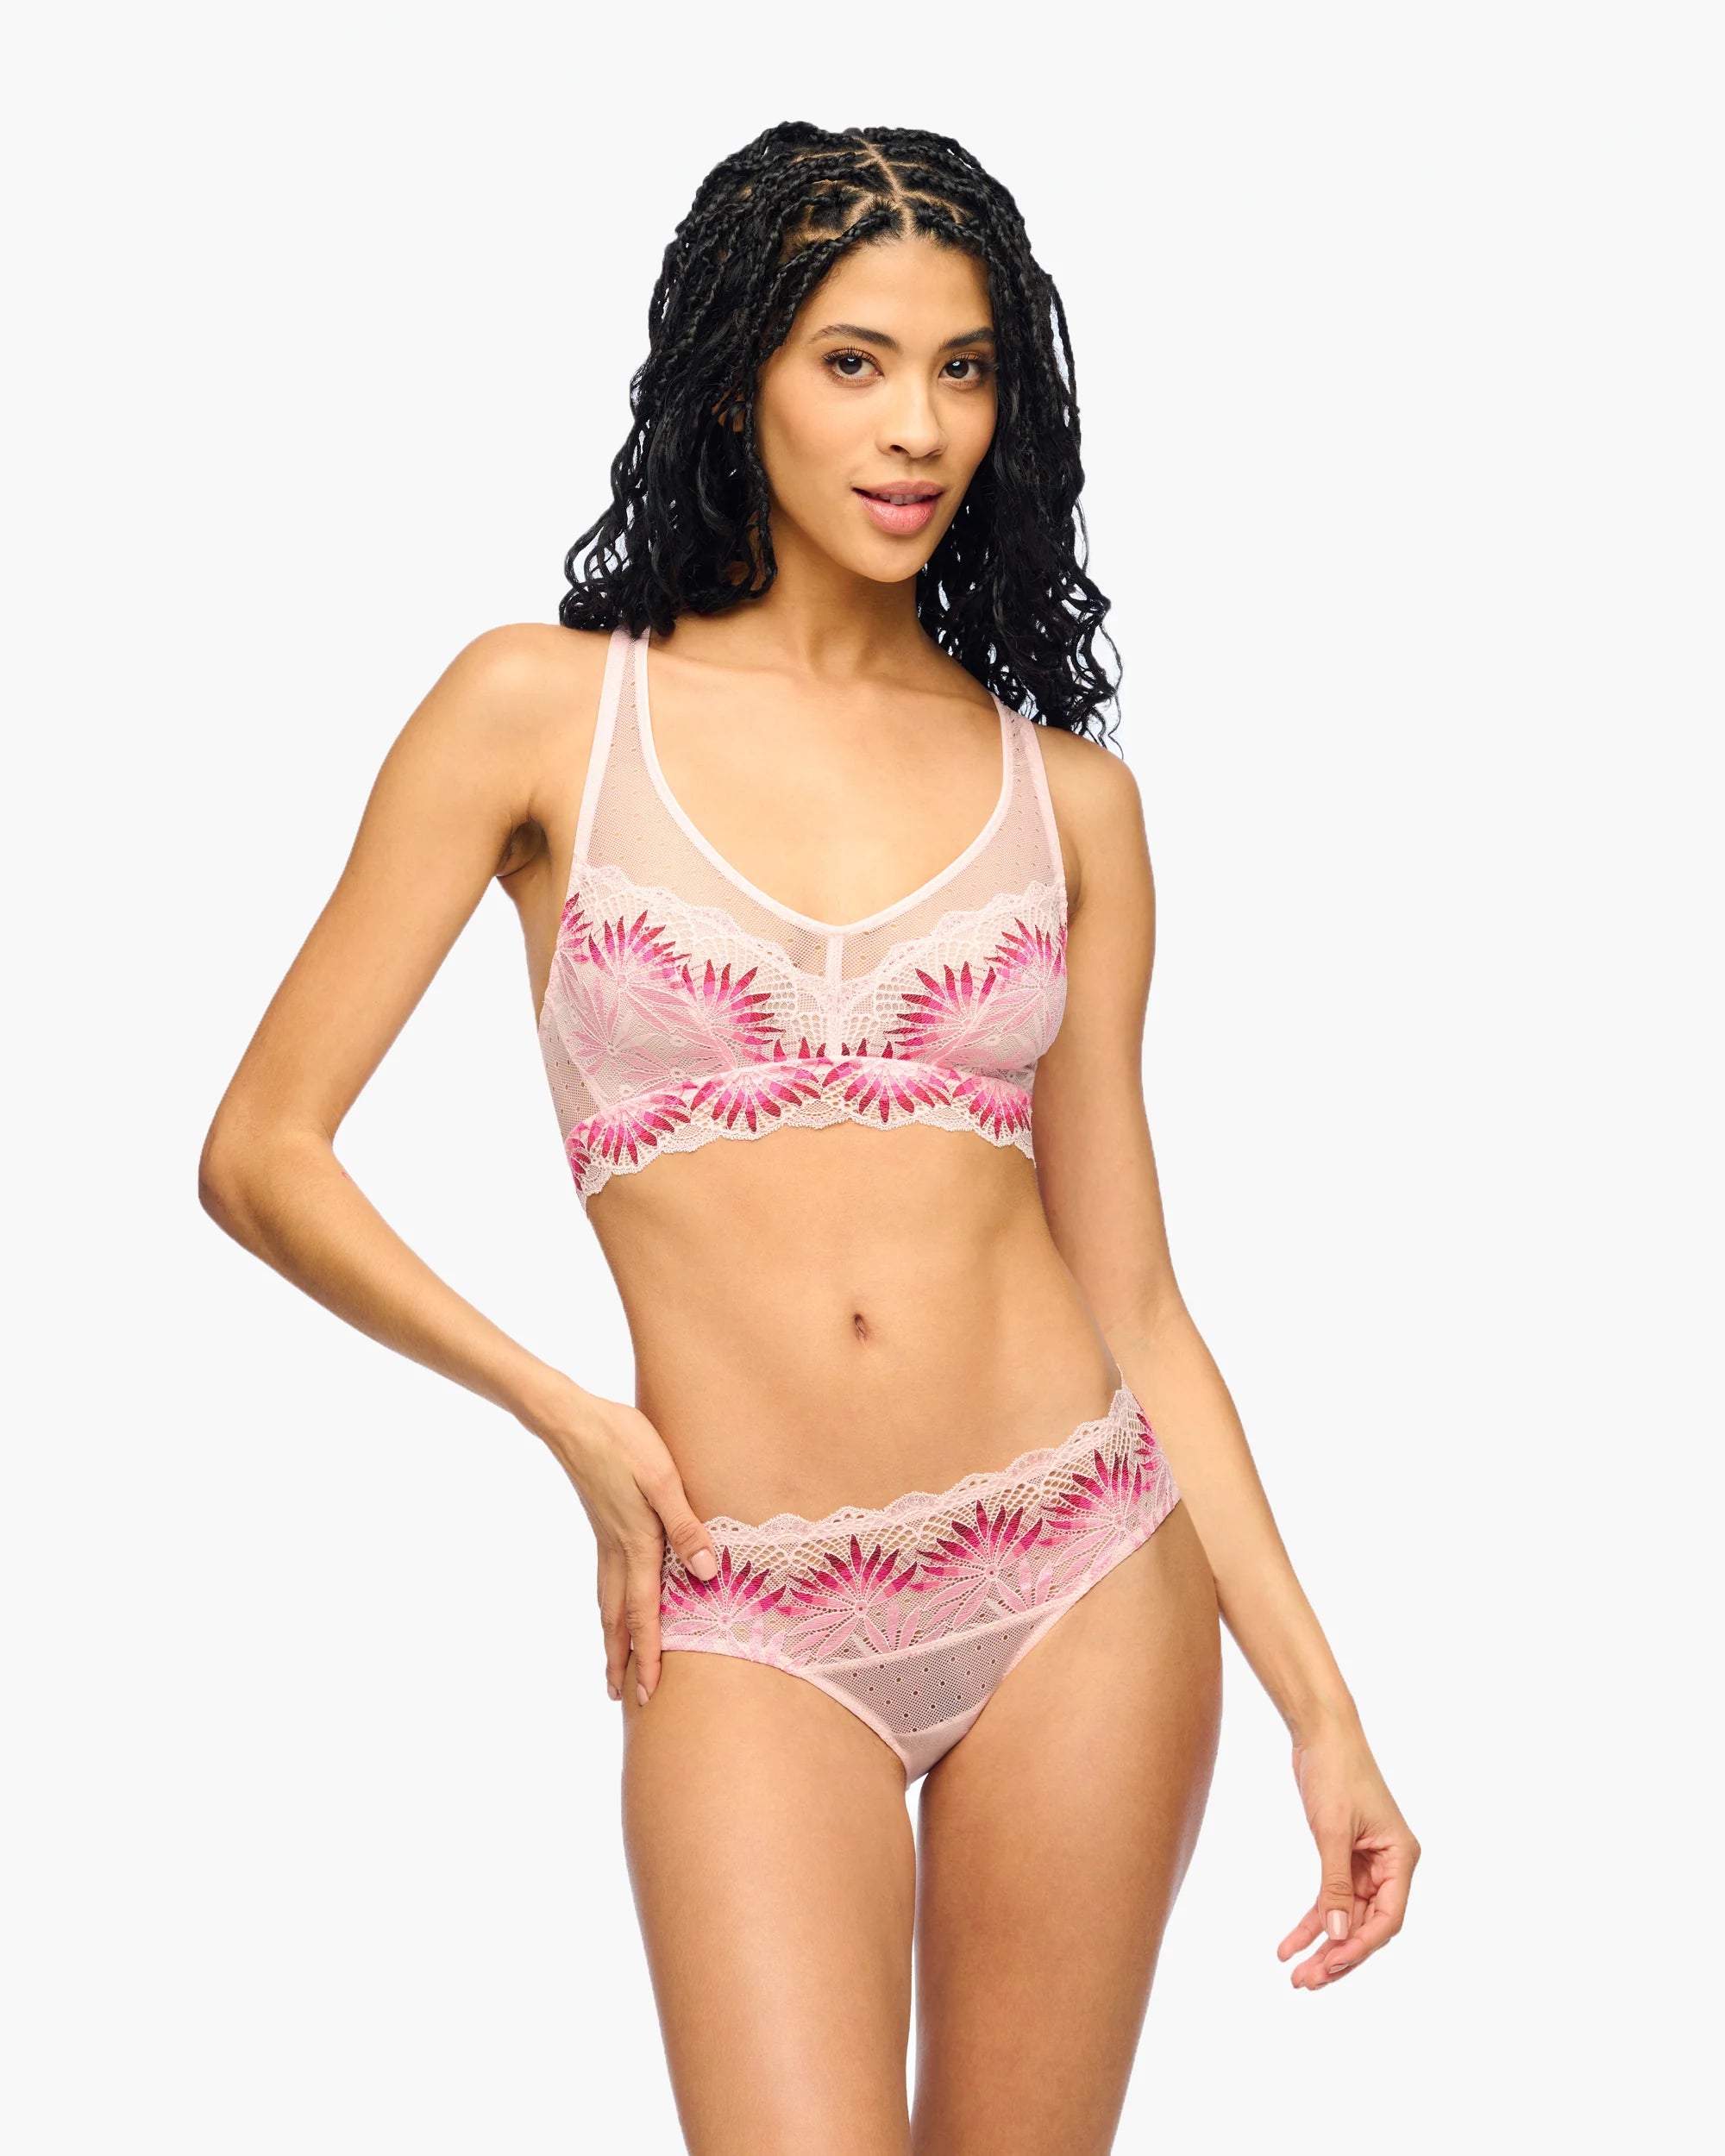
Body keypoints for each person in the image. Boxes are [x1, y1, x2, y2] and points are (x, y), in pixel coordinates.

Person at [200, 122, 1420, 2153]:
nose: (915, 425)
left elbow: (1134, 1293)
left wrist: (1324, 1705)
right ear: (736, 375)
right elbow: (262, 1150)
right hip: (739, 1596)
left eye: (961, 369)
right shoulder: (538, 709)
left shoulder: (1070, 800)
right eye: (853, 362)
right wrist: (571, 1417)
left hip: (1084, 1571)